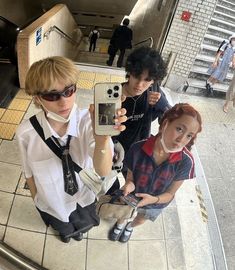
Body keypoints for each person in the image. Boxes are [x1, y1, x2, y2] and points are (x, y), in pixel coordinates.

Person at [16, 56, 127, 243]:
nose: (64, 102)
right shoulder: (26, 133)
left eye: (69, 91)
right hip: (53, 204)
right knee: (63, 228)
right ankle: (66, 233)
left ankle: (78, 231)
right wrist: (38, 199)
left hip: (85, 196)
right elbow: (28, 172)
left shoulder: (88, 122)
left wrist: (102, 140)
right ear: (37, 98)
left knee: (84, 223)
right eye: (52, 95)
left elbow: (103, 170)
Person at [108, 103, 202, 242]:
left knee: (140, 220)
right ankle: (120, 224)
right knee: (124, 214)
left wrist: (154, 200)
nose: (181, 140)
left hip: (156, 203)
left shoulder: (186, 161)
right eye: (179, 129)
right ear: (165, 124)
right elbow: (130, 177)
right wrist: (129, 185)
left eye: (189, 136)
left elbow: (170, 193)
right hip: (132, 198)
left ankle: (129, 227)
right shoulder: (137, 148)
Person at [109, 46, 171, 188]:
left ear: (154, 80)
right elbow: (101, 127)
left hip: (139, 153)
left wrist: (162, 104)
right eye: (137, 77)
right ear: (129, 72)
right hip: (115, 150)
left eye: (147, 80)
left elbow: (171, 120)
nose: (140, 84)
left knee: (135, 187)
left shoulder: (154, 93)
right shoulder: (114, 95)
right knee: (109, 185)